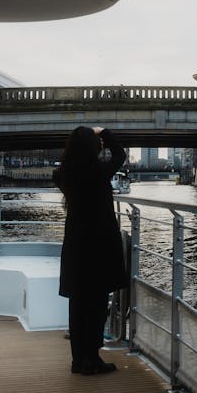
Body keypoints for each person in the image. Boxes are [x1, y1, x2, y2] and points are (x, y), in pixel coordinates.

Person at [54, 126, 127, 375]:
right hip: (99, 246)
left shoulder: (63, 174)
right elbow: (120, 155)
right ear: (92, 147)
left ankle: (78, 360)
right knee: (96, 304)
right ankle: (92, 359)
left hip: (76, 246)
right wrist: (105, 132)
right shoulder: (99, 172)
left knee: (78, 303)